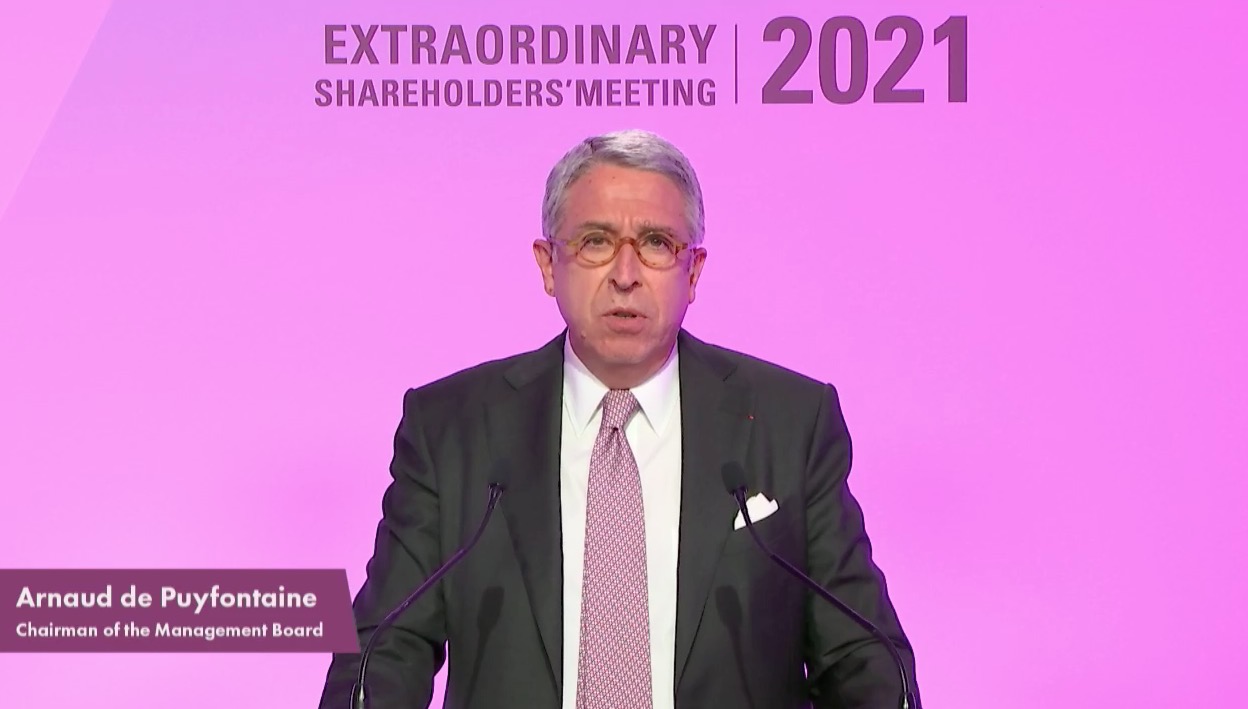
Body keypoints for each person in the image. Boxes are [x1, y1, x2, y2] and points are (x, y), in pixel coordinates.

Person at [318, 129, 921, 709]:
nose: (626, 275)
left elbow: (861, 659)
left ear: (694, 271)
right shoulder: (451, 428)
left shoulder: (789, 424)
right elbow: (383, 653)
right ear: (548, 265)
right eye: (596, 242)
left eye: (656, 243)